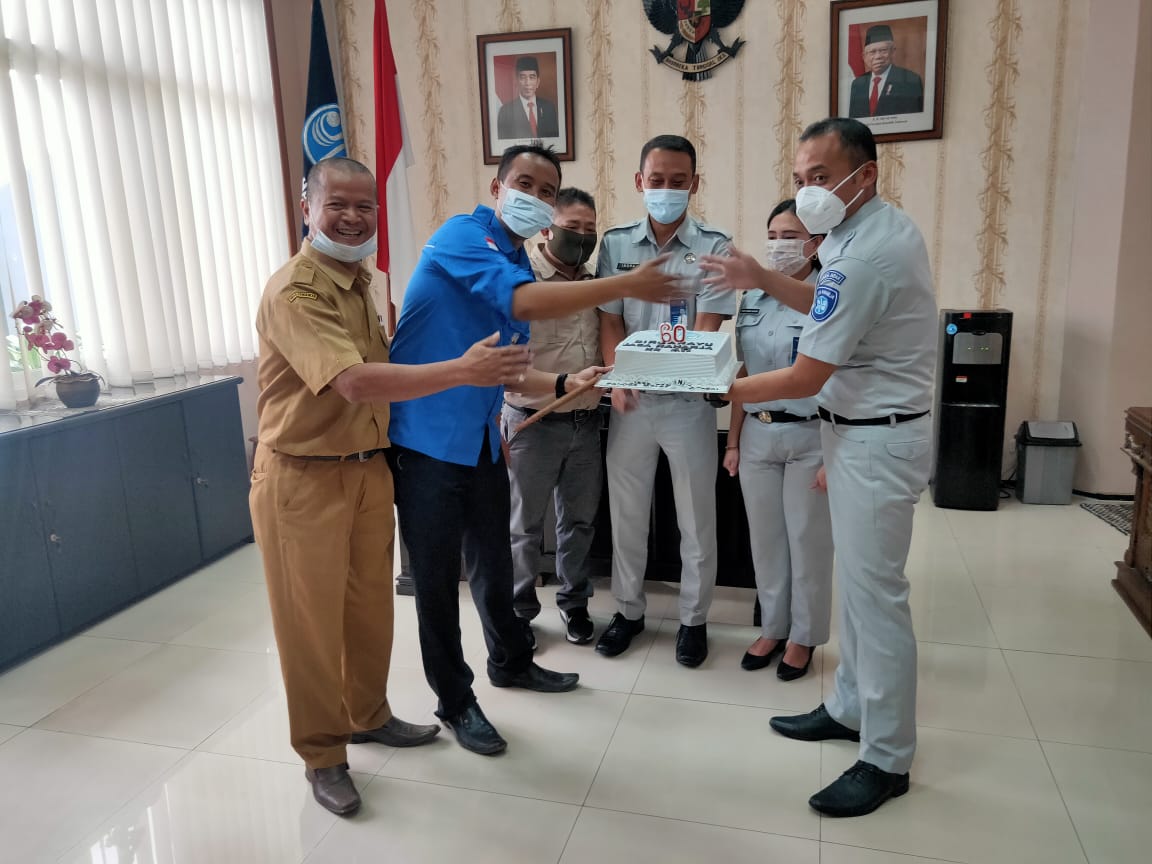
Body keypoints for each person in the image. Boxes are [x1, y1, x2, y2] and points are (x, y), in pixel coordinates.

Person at [250, 157, 532, 817]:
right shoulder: (295, 290)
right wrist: (462, 371)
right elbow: (353, 381)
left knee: (370, 610)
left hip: (368, 469)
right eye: (337, 204)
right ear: (306, 208)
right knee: (311, 626)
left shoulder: (361, 283)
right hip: (302, 477)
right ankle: (323, 754)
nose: (353, 218)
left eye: (365, 206)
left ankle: (368, 714)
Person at [388, 144, 688, 758]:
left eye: (547, 191)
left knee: (496, 565)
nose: (535, 197)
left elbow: (507, 368)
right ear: (497, 188)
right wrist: (628, 282)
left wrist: (563, 381)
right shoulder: (462, 236)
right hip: (427, 444)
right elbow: (522, 303)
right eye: (524, 184)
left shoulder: (515, 257)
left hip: (481, 442)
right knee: (440, 584)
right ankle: (455, 700)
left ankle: (511, 661)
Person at [699, 117, 936, 818]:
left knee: (877, 600)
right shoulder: (863, 234)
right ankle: (850, 707)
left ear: (867, 174)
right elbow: (829, 306)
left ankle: (887, 757)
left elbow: (805, 375)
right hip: (858, 432)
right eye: (801, 178)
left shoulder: (867, 254)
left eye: (822, 177)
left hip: (876, 440)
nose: (808, 192)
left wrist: (716, 388)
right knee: (860, 594)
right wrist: (761, 278)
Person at [594, 134, 737, 668]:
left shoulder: (716, 247)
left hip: (686, 403)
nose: (667, 189)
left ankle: (694, 620)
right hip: (630, 401)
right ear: (640, 181)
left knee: (696, 516)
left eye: (679, 181)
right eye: (657, 180)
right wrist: (618, 377)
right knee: (627, 512)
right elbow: (609, 319)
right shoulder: (615, 245)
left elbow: (708, 325)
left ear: (694, 184)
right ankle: (628, 611)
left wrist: (671, 373)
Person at [723, 199, 833, 682]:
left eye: (790, 236)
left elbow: (842, 378)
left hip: (812, 434)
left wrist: (835, 454)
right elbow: (743, 374)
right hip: (758, 434)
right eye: (772, 236)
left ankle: (803, 636)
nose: (778, 245)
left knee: (807, 542)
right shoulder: (754, 297)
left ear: (815, 243)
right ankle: (773, 627)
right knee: (765, 541)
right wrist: (733, 442)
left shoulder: (829, 296)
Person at [501, 187, 603, 647]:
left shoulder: (596, 283)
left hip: (586, 422)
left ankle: (574, 603)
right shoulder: (522, 279)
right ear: (548, 228)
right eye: (572, 227)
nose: (581, 236)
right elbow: (506, 358)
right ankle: (519, 611)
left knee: (579, 523)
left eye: (589, 229)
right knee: (524, 527)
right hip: (532, 422)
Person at [847, 24, 924, 118]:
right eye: (872, 52)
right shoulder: (857, 84)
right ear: (864, 56)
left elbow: (914, 120)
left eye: (883, 50)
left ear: (893, 52)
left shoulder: (911, 81)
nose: (878, 56)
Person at [496, 56, 560, 139]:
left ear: (538, 82)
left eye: (532, 77)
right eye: (523, 77)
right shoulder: (505, 111)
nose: (527, 83)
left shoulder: (549, 108)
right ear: (516, 81)